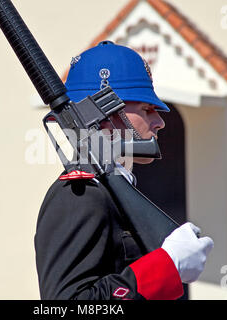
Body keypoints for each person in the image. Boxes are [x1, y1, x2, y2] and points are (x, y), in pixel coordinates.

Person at [34, 41, 214, 300]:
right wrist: (164, 267)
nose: (160, 121)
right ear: (105, 114)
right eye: (147, 109)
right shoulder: (79, 195)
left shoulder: (110, 190)